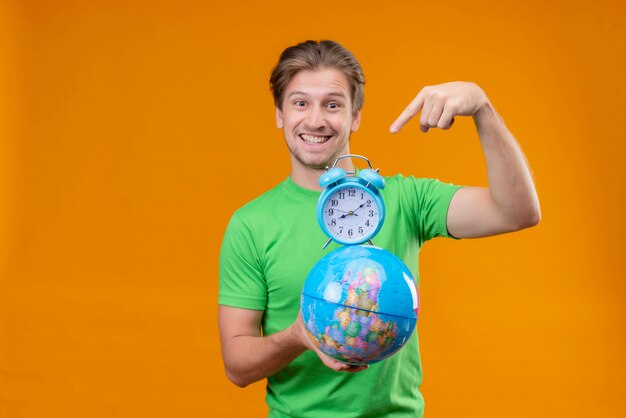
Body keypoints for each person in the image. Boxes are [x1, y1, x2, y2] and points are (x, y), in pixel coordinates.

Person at [218, 40, 540, 418]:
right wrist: (298, 337)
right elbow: (237, 366)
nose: (316, 119)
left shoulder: (405, 199)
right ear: (280, 114)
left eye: (333, 104)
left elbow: (517, 212)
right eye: (300, 102)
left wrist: (483, 108)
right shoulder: (251, 225)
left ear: (355, 117)